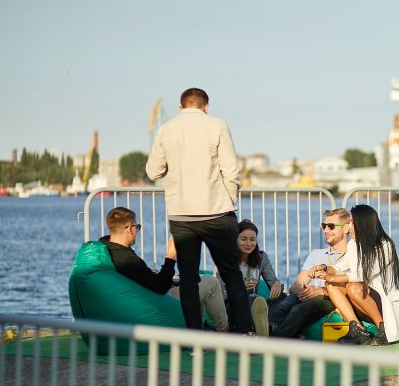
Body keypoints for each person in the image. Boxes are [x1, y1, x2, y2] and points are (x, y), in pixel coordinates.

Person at [145, 87, 253, 334]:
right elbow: (231, 169)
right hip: (217, 212)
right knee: (232, 274)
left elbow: (153, 172)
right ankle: (245, 333)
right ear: (206, 106)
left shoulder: (166, 129)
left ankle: (195, 341)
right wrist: (229, 199)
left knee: (189, 279)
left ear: (181, 108)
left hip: (182, 215)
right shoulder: (217, 125)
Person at [98, 207, 229, 331]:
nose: (137, 231)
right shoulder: (126, 259)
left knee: (193, 283)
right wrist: (170, 256)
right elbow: (160, 287)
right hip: (156, 303)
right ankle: (224, 331)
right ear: (129, 229)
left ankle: (197, 330)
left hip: (144, 298)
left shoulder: (107, 248)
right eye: (137, 227)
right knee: (210, 283)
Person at [317, 204, 399, 346]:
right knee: (331, 285)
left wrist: (332, 276)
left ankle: (383, 329)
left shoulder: (385, 245)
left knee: (353, 287)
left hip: (381, 302)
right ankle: (358, 330)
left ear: (362, 222)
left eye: (351, 222)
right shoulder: (353, 244)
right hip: (363, 301)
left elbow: (361, 275)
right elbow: (342, 266)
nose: (348, 225)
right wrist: (325, 268)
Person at [270, 208, 352, 338]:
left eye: (331, 226)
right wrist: (304, 290)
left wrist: (319, 291)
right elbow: (295, 287)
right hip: (309, 296)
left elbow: (350, 289)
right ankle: (274, 335)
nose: (325, 230)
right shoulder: (316, 254)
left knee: (298, 310)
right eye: (323, 226)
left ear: (346, 228)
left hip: (331, 299)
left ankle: (272, 343)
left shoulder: (352, 256)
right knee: (281, 307)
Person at [216, 220, 285, 337]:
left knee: (283, 299)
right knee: (247, 300)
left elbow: (273, 281)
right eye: (244, 239)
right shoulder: (225, 260)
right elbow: (219, 298)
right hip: (230, 306)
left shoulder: (261, 258)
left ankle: (264, 329)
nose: (249, 243)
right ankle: (269, 329)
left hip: (254, 302)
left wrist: (277, 283)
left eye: (252, 239)